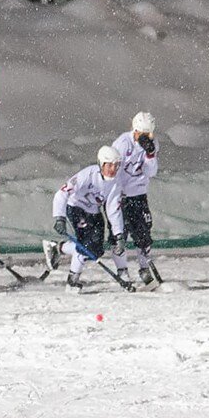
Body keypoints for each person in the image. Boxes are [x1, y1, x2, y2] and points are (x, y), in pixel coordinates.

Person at [42, 146, 125, 289]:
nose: (113, 169)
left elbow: (113, 209)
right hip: (76, 208)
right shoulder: (87, 175)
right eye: (109, 165)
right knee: (86, 245)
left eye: (116, 165)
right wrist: (60, 217)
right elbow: (62, 193)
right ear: (101, 164)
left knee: (96, 250)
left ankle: (58, 248)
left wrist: (119, 234)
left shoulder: (116, 182)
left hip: (94, 212)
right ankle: (72, 281)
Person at [110, 111, 161, 287]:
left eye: (149, 134)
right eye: (142, 134)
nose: (145, 137)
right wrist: (116, 195)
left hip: (139, 195)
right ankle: (122, 270)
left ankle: (144, 268)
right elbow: (114, 172)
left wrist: (150, 154)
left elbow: (150, 172)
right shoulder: (122, 144)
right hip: (121, 196)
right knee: (119, 236)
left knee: (143, 234)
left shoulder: (153, 143)